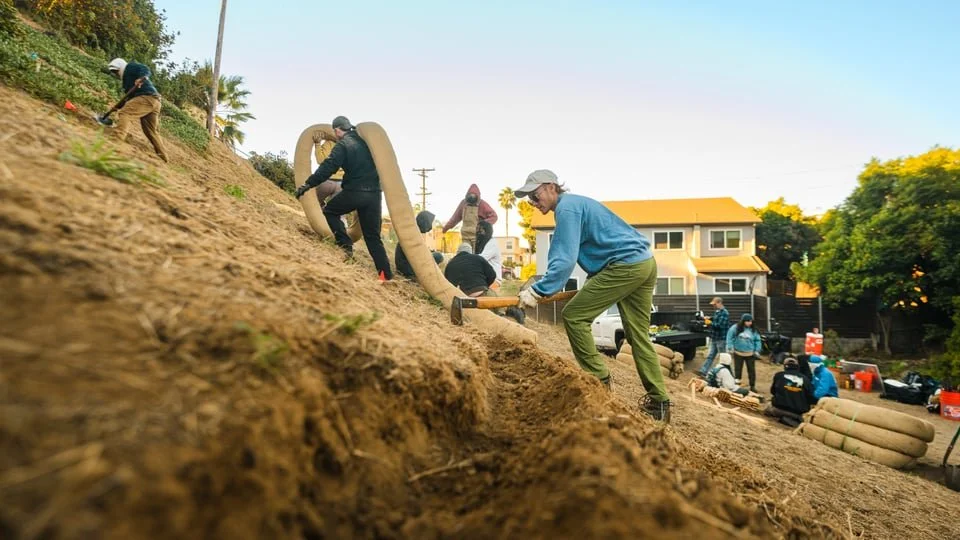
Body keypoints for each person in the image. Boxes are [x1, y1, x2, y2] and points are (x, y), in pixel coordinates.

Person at [513, 170, 670, 422]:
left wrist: (539, 290)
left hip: (624, 267)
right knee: (637, 336)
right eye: (529, 198)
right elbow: (600, 244)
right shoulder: (577, 204)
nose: (532, 201)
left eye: (535, 194)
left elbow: (564, 258)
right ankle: (660, 403)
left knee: (574, 316)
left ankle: (598, 381)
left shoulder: (567, 209)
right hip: (643, 264)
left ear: (552, 187)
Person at [295, 116, 392, 280]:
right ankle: (385, 276)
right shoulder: (366, 142)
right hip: (374, 195)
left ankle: (346, 246)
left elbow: (328, 167)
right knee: (373, 237)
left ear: (337, 130)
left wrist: (308, 184)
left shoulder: (343, 145)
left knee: (330, 212)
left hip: (355, 191)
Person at [106, 58, 168, 162]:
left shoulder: (130, 67)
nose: (116, 74)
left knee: (125, 113)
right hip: (155, 101)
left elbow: (145, 69)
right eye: (114, 73)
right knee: (151, 131)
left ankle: (115, 140)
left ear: (120, 67)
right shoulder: (126, 82)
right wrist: (117, 107)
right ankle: (164, 157)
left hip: (147, 97)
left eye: (116, 71)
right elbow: (128, 97)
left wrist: (142, 78)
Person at [442, 184, 498, 250]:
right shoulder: (463, 203)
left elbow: (494, 216)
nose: (472, 197)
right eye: (470, 195)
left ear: (478, 196)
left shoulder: (482, 204)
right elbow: (454, 218)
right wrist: (445, 228)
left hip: (477, 236)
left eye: (474, 196)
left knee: (476, 253)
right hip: (465, 235)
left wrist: (483, 224)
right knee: (466, 252)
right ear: (467, 195)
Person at [764, 356, 816, 427]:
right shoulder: (806, 379)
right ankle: (792, 419)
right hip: (798, 412)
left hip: (779, 408)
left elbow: (772, 391)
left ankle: (786, 418)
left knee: (768, 409)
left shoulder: (779, 375)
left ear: (785, 366)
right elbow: (810, 397)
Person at [396, 210, 443, 280]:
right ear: (425, 222)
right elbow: (420, 257)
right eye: (430, 223)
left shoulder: (412, 231)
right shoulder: (413, 235)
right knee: (438, 256)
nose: (430, 227)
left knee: (434, 254)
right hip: (408, 269)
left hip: (405, 266)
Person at [726, 313, 762, 393]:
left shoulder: (753, 330)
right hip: (738, 353)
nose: (750, 323)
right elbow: (729, 337)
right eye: (748, 321)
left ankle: (752, 386)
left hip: (750, 354)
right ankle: (737, 385)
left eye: (751, 321)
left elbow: (757, 340)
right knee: (738, 370)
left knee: (751, 370)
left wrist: (757, 350)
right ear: (743, 321)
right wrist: (730, 347)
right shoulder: (735, 328)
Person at [697, 297, 730, 378]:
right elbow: (716, 319)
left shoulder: (725, 313)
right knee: (711, 355)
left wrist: (710, 323)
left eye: (714, 304)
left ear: (719, 303)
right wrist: (710, 318)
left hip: (721, 339)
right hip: (714, 337)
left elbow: (719, 326)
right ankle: (703, 371)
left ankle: (727, 374)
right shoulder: (717, 312)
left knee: (723, 358)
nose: (713, 306)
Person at [311, 132, 343, 207]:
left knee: (315, 202)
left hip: (326, 181)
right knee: (335, 209)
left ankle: (321, 206)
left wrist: (317, 144)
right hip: (341, 184)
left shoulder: (329, 143)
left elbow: (320, 160)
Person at [475, 221, 502, 289]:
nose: (478, 232)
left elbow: (481, 258)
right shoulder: (482, 244)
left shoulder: (492, 243)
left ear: (487, 231)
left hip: (493, 281)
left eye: (480, 230)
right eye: (477, 230)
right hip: (483, 280)